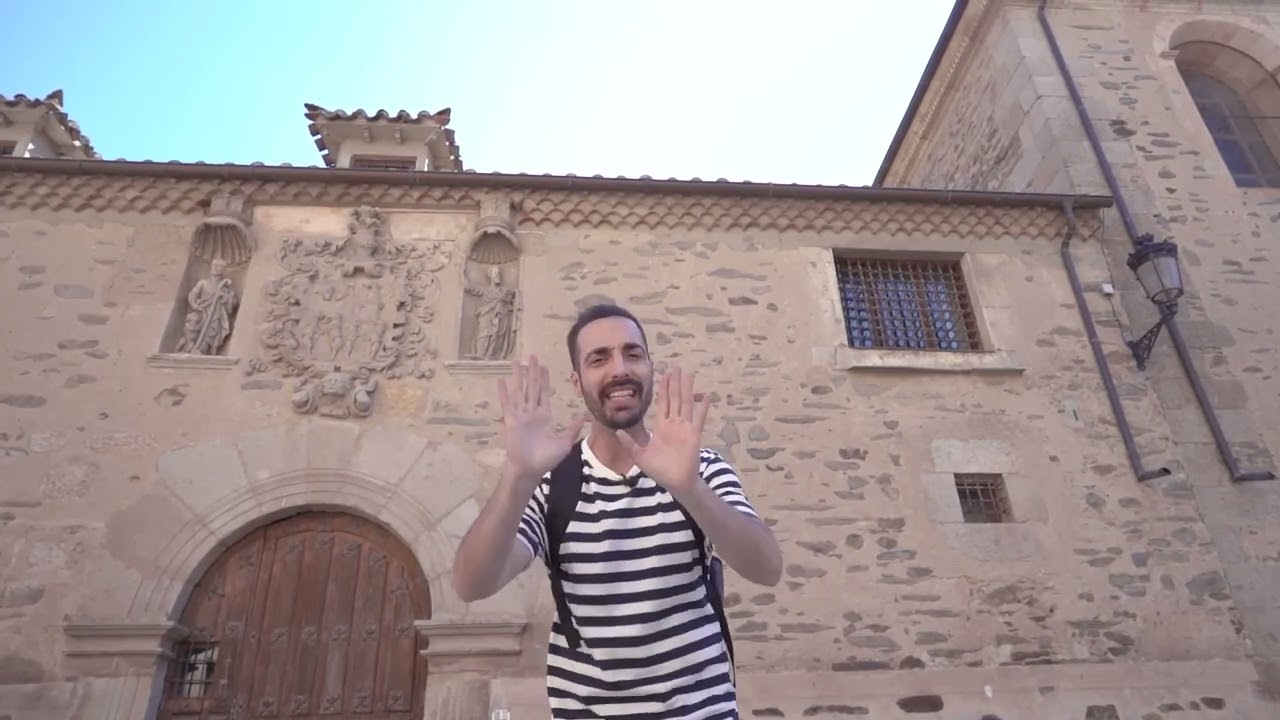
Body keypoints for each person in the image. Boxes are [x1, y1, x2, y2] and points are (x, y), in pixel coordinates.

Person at [451, 303, 783, 720]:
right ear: (577, 381)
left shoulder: (700, 468)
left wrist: (689, 488)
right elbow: (471, 584)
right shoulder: (552, 483)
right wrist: (518, 476)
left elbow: (767, 568)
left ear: (650, 368)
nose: (620, 369)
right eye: (599, 358)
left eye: (633, 353)